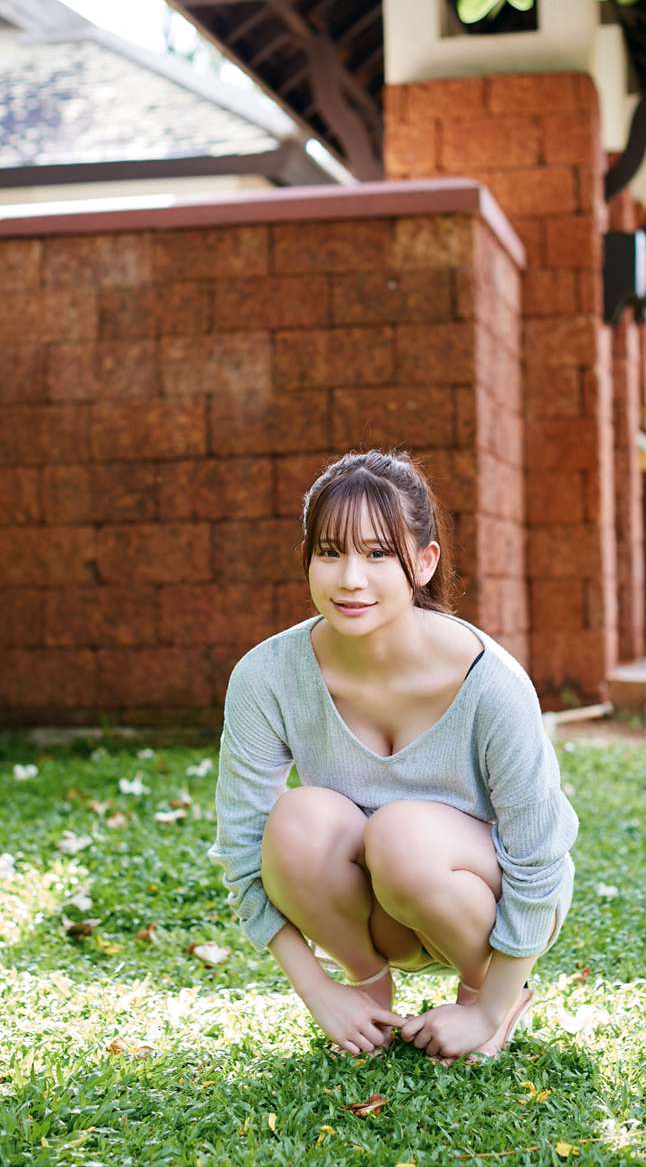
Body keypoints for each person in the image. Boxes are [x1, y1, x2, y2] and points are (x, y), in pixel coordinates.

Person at [209, 449, 579, 1066]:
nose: (350, 578)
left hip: (480, 905)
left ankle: (486, 993)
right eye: (330, 551)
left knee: (401, 833)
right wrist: (321, 991)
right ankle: (368, 990)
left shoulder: (490, 681)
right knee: (296, 819)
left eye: (379, 553)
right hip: (373, 913)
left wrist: (487, 1009)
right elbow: (243, 851)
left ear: (425, 562)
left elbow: (540, 858)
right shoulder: (267, 675)